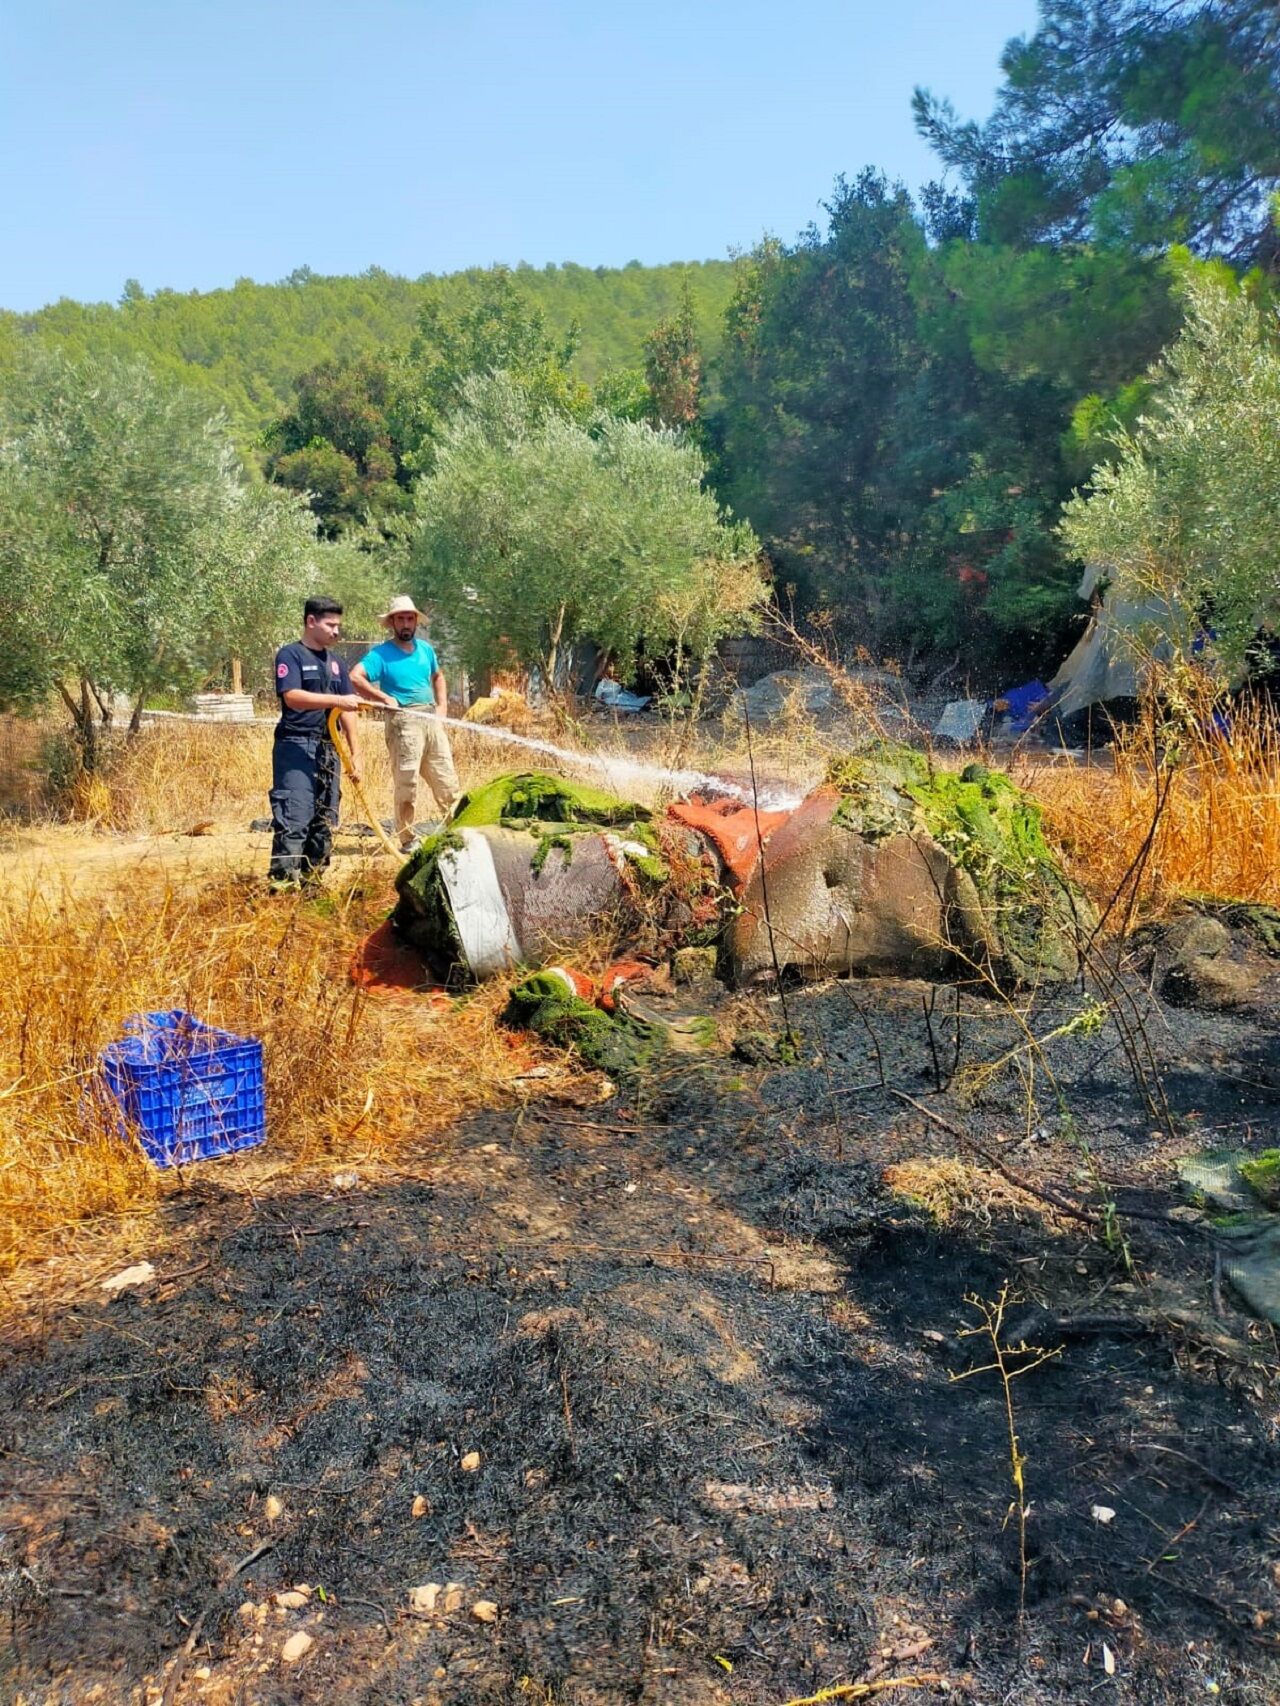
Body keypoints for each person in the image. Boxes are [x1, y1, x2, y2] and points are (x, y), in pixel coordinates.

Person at [351, 595, 460, 851]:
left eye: (410, 618)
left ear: (416, 622)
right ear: (392, 623)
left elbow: (438, 676)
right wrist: (382, 697)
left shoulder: (426, 650)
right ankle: (407, 839)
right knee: (407, 784)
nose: (406, 623)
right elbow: (356, 676)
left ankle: (458, 832)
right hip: (403, 721)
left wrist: (442, 707)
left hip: (430, 719)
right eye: (401, 618)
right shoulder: (380, 654)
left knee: (447, 781)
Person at [268, 596, 363, 887]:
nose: (336, 631)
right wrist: (337, 700)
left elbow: (348, 712)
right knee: (295, 817)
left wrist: (355, 754)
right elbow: (293, 697)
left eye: (338, 626)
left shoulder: (336, 663)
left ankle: (313, 884)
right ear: (311, 622)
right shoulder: (291, 656)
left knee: (323, 820)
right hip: (296, 746)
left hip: (328, 750)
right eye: (330, 625)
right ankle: (282, 886)